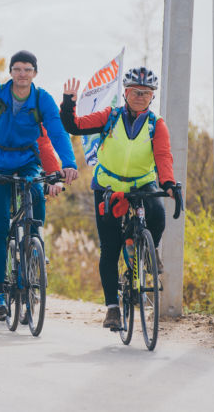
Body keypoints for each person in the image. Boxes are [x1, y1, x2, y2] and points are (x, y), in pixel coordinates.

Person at [0, 50, 78, 316]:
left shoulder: (42, 99)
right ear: (11, 72)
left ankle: (33, 246)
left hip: (27, 163)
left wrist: (67, 164)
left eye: (28, 69)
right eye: (17, 69)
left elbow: (55, 133)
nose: (22, 74)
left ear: (35, 73)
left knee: (36, 204)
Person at [60, 67, 177, 329]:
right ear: (125, 93)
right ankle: (112, 308)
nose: (141, 96)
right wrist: (69, 103)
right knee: (110, 247)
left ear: (151, 97)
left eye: (146, 93)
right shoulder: (110, 117)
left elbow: (163, 155)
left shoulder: (156, 125)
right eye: (136, 92)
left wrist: (168, 183)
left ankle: (149, 250)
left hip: (141, 182)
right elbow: (74, 126)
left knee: (157, 214)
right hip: (108, 186)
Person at [0, 114, 63, 263]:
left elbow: (44, 143)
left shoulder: (33, 109)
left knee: (37, 194)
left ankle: (35, 241)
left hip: (26, 166)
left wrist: (53, 175)